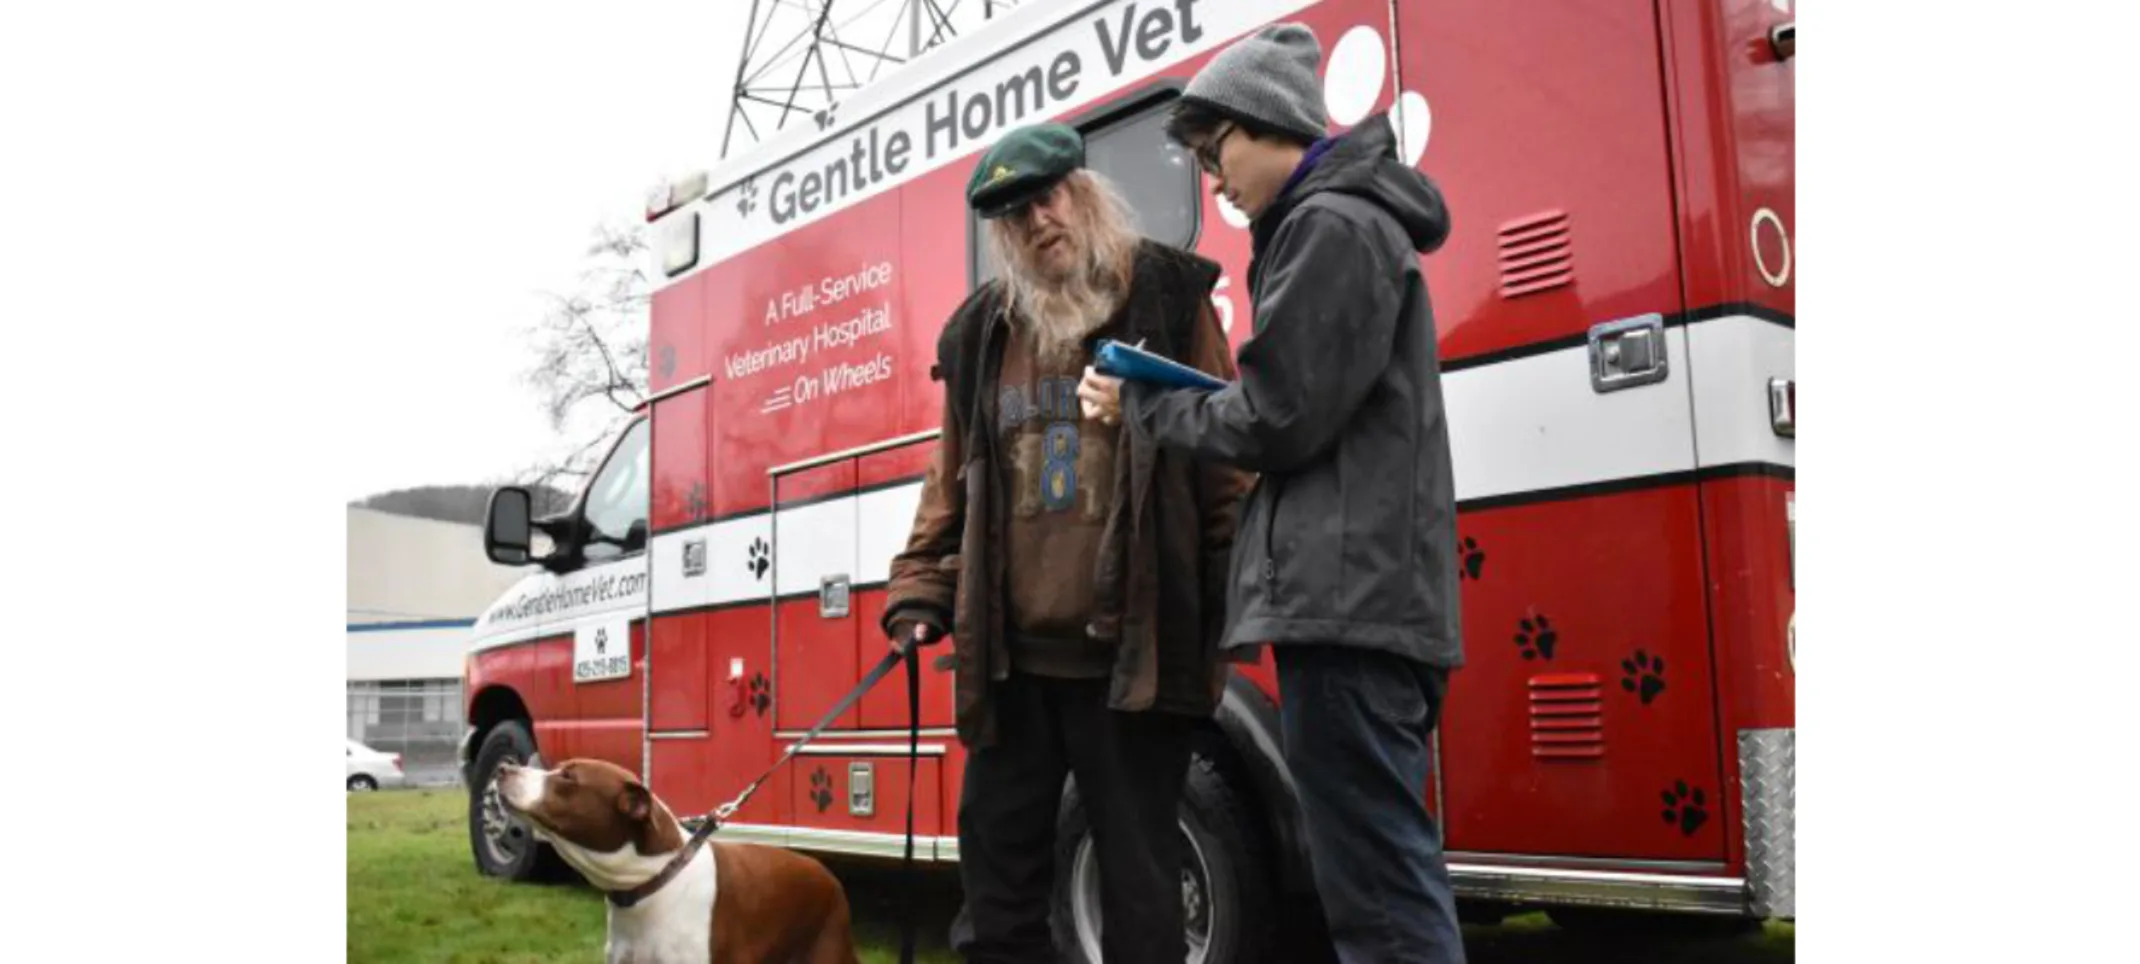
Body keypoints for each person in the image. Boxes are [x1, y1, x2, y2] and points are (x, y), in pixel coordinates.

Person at [1076, 23, 1465, 964]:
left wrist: (1150, 408)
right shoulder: (1346, 225)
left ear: (1269, 123)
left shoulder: (1329, 226)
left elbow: (1280, 416)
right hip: (1365, 600)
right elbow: (1298, 408)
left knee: (1375, 889)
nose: (1214, 182)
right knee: (1378, 872)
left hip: (1348, 607)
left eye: (1217, 154)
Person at [882, 121, 1251, 964]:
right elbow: (950, 488)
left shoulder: (1165, 293)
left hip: (1134, 661)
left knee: (1140, 895)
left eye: (1046, 196)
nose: (1036, 219)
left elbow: (1226, 467)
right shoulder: (980, 334)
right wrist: (918, 592)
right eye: (1013, 214)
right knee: (996, 899)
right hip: (1010, 671)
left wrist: (1231, 604)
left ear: (1082, 194)